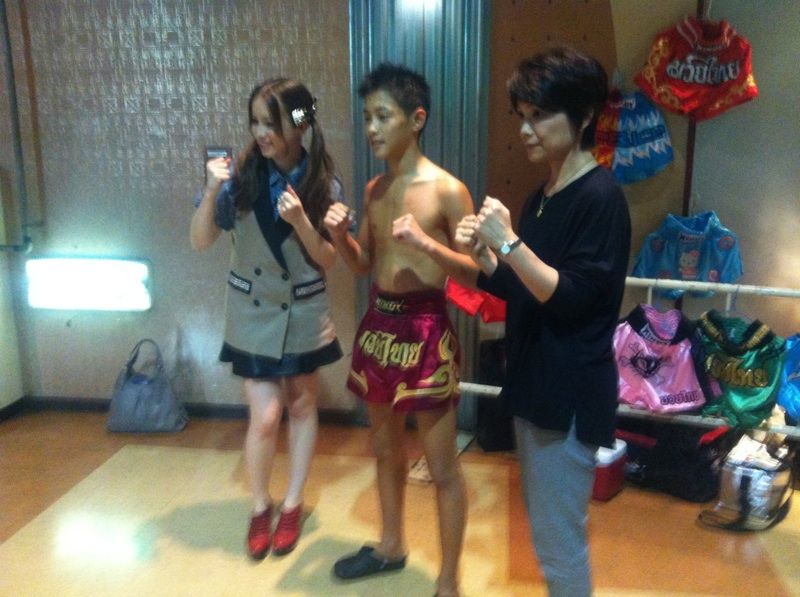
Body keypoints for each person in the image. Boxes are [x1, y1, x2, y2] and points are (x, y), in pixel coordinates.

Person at [454, 48, 631, 597]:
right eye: (522, 116)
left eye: (539, 116)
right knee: (548, 533)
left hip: (569, 394)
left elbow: (573, 298)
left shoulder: (601, 197)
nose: (525, 130)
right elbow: (529, 293)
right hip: (536, 386)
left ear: (583, 116)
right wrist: (489, 260)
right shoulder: (541, 197)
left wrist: (509, 242)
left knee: (559, 543)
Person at [324, 63, 477, 597]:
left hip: (426, 331)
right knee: (385, 451)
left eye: (382, 116)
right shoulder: (376, 188)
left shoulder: (448, 190)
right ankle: (391, 546)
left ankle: (449, 582)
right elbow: (365, 264)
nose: (371, 128)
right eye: (367, 117)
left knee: (442, 469)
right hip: (378, 328)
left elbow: (475, 275)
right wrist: (340, 238)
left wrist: (428, 245)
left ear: (417, 119)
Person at [190, 78, 344, 560]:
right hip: (253, 312)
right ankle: (260, 506)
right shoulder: (240, 179)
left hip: (302, 310)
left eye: (271, 123)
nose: (261, 132)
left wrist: (301, 222)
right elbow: (200, 240)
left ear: (299, 124)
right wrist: (211, 189)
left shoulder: (322, 183)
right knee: (265, 416)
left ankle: (293, 503)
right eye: (255, 121)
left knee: (301, 405)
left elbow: (328, 258)